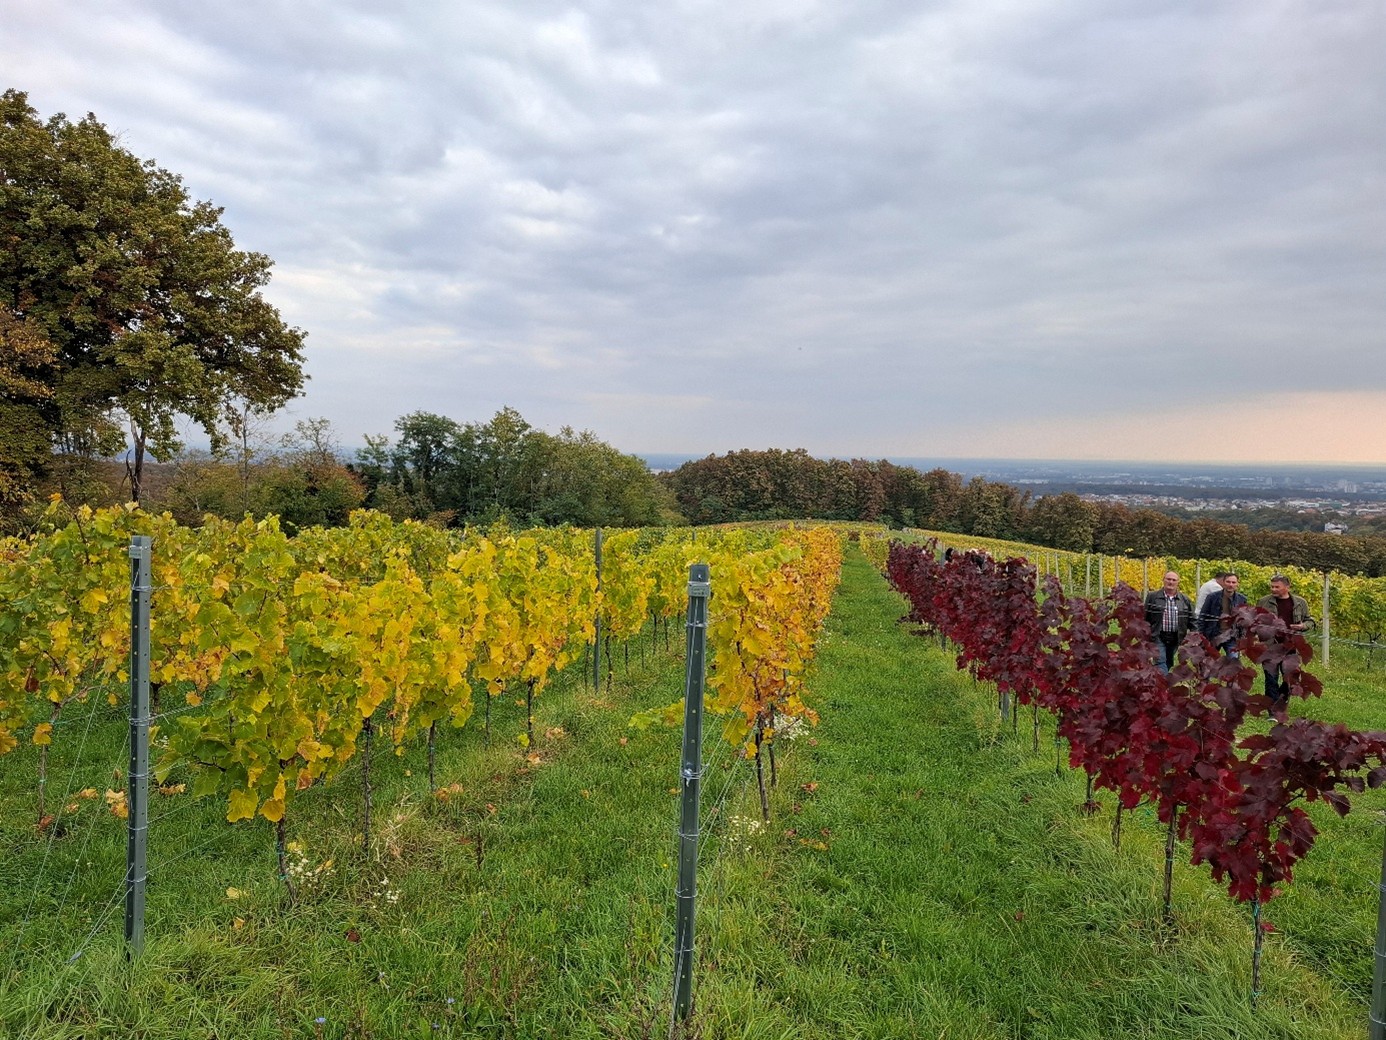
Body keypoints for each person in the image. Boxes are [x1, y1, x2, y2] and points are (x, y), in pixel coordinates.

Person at [1256, 574, 1314, 705]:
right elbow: (1256, 620)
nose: (1273, 589)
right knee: (1271, 679)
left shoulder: (1300, 603)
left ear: (1287, 587)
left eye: (1277, 587)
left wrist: (1303, 626)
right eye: (1272, 586)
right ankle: (1272, 709)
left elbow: (1309, 621)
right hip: (1270, 647)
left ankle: (1281, 700)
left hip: (1291, 647)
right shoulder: (1263, 601)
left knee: (1291, 679)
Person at [1143, 570, 1194, 674]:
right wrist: (1145, 635)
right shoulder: (1153, 597)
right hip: (1157, 635)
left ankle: (1158, 679)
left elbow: (1193, 620)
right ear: (1163, 580)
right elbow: (1145, 616)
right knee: (1160, 661)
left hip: (1176, 637)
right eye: (1168, 579)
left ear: (1178, 582)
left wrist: (1193, 636)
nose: (1171, 582)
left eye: (1174, 580)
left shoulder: (1185, 600)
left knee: (1169, 662)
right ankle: (1164, 682)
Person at [1197, 572, 1246, 656]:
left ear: (1237, 584)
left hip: (1232, 637)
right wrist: (1201, 635)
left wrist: (1242, 637)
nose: (1230, 585)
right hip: (1213, 635)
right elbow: (1203, 616)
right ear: (1223, 583)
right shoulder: (1212, 597)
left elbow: (1243, 620)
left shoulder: (1241, 599)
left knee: (1233, 660)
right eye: (1228, 582)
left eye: (1233, 582)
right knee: (1210, 661)